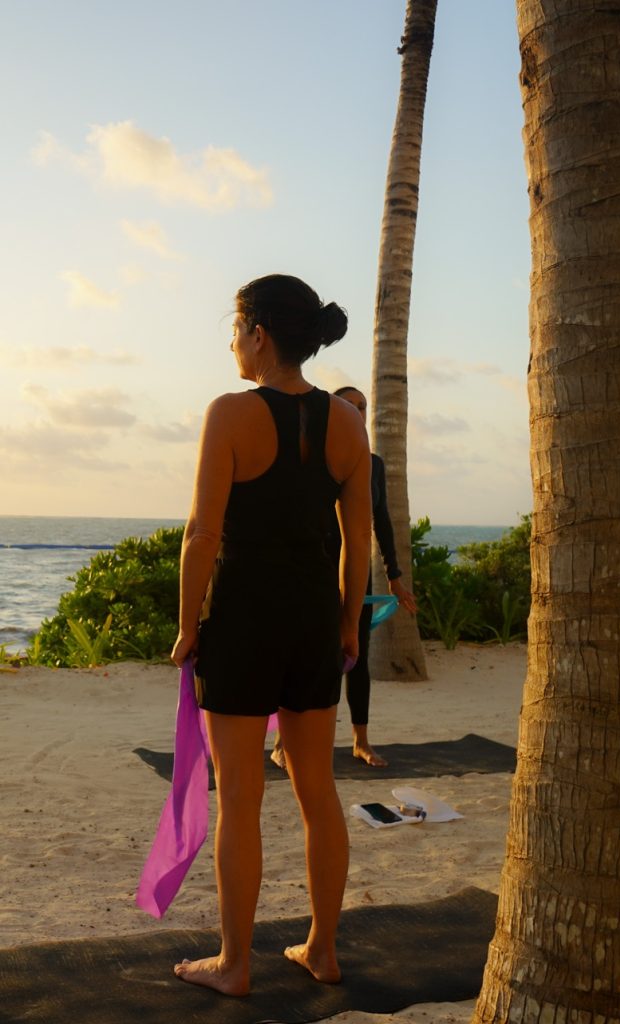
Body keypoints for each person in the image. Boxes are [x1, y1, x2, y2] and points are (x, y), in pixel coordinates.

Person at [170, 274, 372, 996]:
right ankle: (321, 948)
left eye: (235, 327)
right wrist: (349, 622)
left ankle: (233, 963)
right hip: (315, 618)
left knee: (241, 799)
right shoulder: (349, 425)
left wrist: (187, 625)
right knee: (317, 789)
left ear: (259, 334)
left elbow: (202, 534)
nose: (232, 341)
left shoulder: (229, 413)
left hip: (245, 619)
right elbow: (358, 545)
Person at [271, 386, 417, 770]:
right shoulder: (309, 458)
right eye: (348, 406)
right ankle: (283, 743)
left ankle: (360, 742)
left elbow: (381, 524)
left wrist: (395, 577)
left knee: (357, 658)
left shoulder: (373, 465)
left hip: (354, 575)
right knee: (305, 658)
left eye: (362, 407)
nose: (357, 412)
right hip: (313, 573)